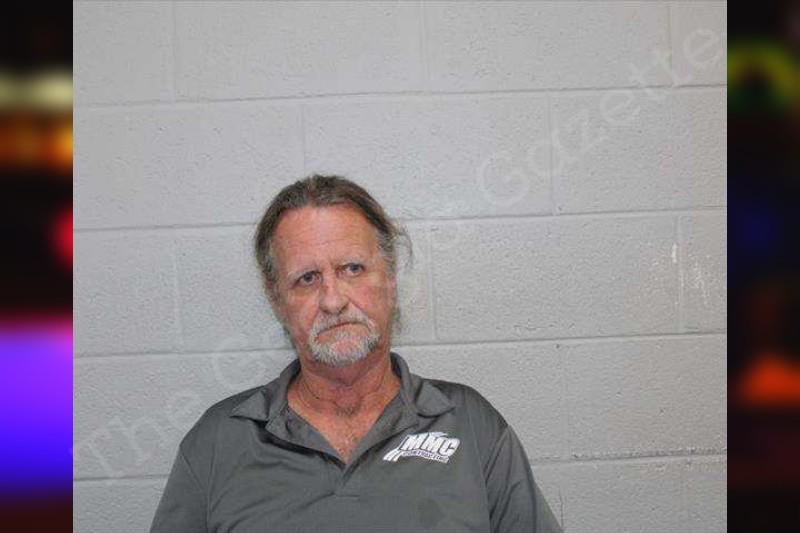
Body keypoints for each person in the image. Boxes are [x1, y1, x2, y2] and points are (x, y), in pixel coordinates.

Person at [150, 175, 560, 532]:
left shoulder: (472, 426)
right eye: (307, 278)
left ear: (390, 280)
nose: (333, 300)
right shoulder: (218, 442)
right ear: (277, 301)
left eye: (352, 269)